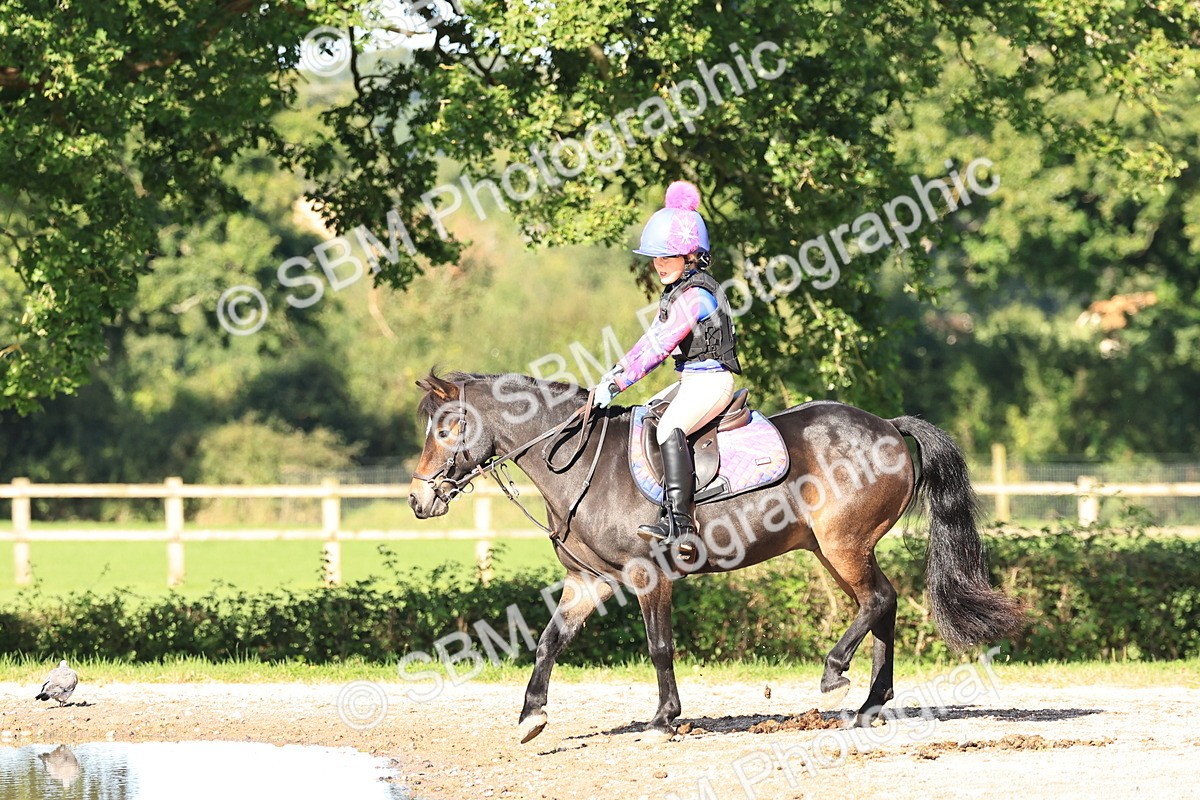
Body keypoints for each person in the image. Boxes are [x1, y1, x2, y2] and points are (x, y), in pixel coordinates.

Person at [592, 180, 741, 549]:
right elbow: (646, 342)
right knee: (646, 418)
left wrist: (615, 387)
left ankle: (681, 524)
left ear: (691, 256)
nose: (659, 264)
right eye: (656, 257)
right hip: (690, 381)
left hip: (710, 383)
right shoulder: (679, 292)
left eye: (667, 256)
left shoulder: (696, 297)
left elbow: (659, 348)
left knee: (669, 426)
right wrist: (612, 374)